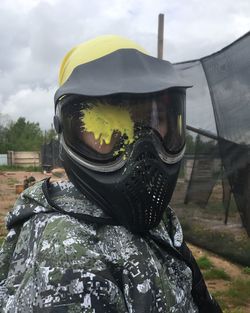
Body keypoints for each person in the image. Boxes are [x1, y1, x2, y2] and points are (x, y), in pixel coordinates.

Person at [0, 35, 222, 312]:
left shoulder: (158, 218)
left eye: (155, 119)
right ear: (69, 131)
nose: (140, 146)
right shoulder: (65, 256)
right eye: (105, 123)